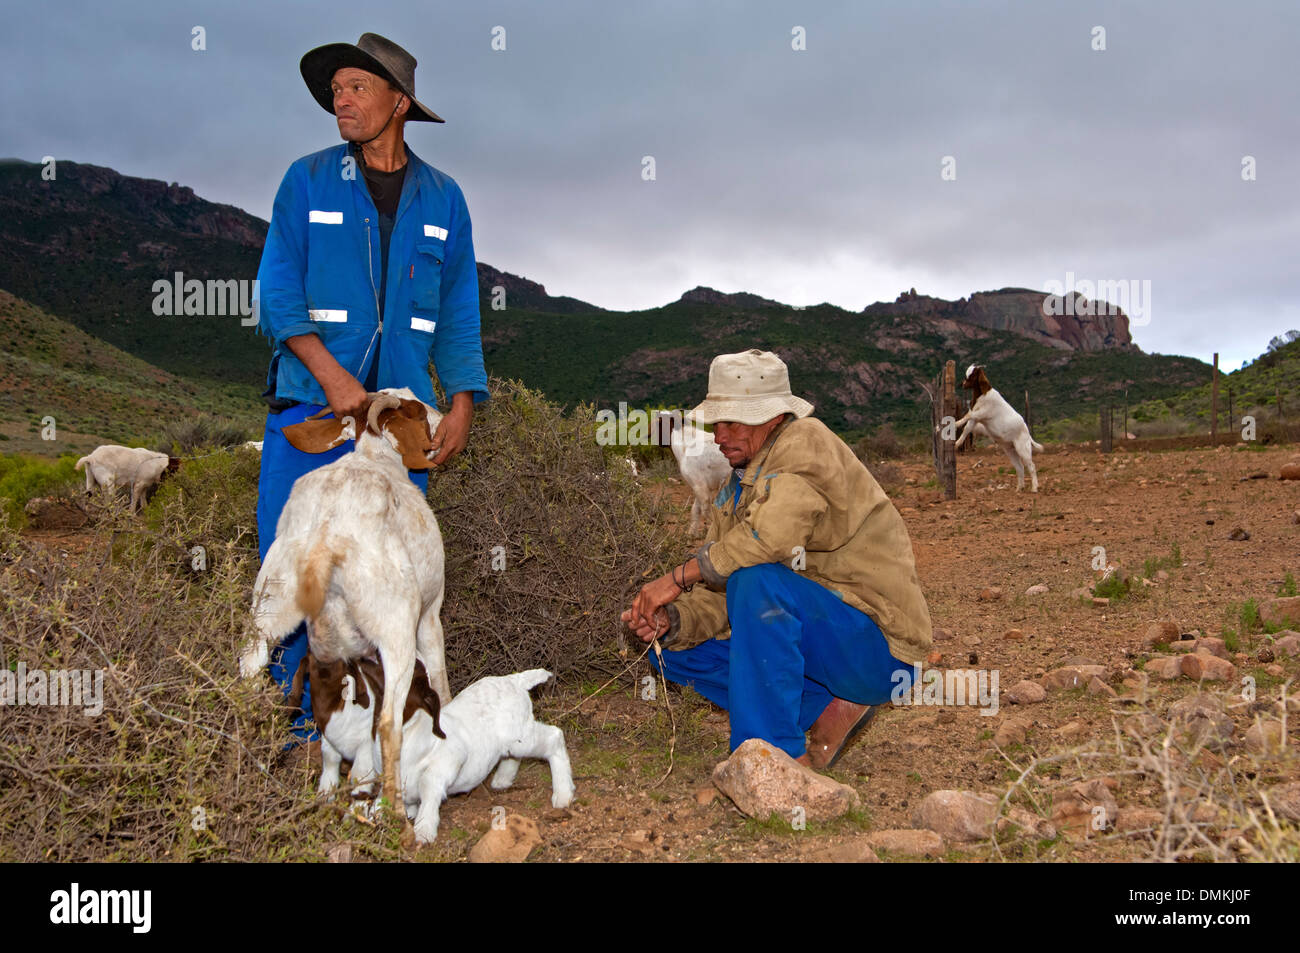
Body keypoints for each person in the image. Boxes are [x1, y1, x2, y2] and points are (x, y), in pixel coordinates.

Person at [254, 33, 489, 738]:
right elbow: (276, 289)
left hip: (396, 434)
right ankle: (287, 733)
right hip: (311, 410)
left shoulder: (444, 200)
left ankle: (383, 741)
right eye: (336, 91)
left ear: (400, 103)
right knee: (300, 577)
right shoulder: (308, 180)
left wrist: (464, 402)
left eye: (357, 87)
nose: (341, 100)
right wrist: (335, 377)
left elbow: (458, 314)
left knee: (396, 585)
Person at [622, 349, 933, 769]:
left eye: (732, 422)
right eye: (717, 423)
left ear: (770, 418)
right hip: (826, 651)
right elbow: (720, 590)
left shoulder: (807, 442)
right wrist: (671, 621)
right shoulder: (735, 486)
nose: (719, 435)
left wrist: (675, 578)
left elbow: (767, 540)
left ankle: (775, 758)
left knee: (757, 581)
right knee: (673, 651)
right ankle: (825, 708)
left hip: (878, 648)